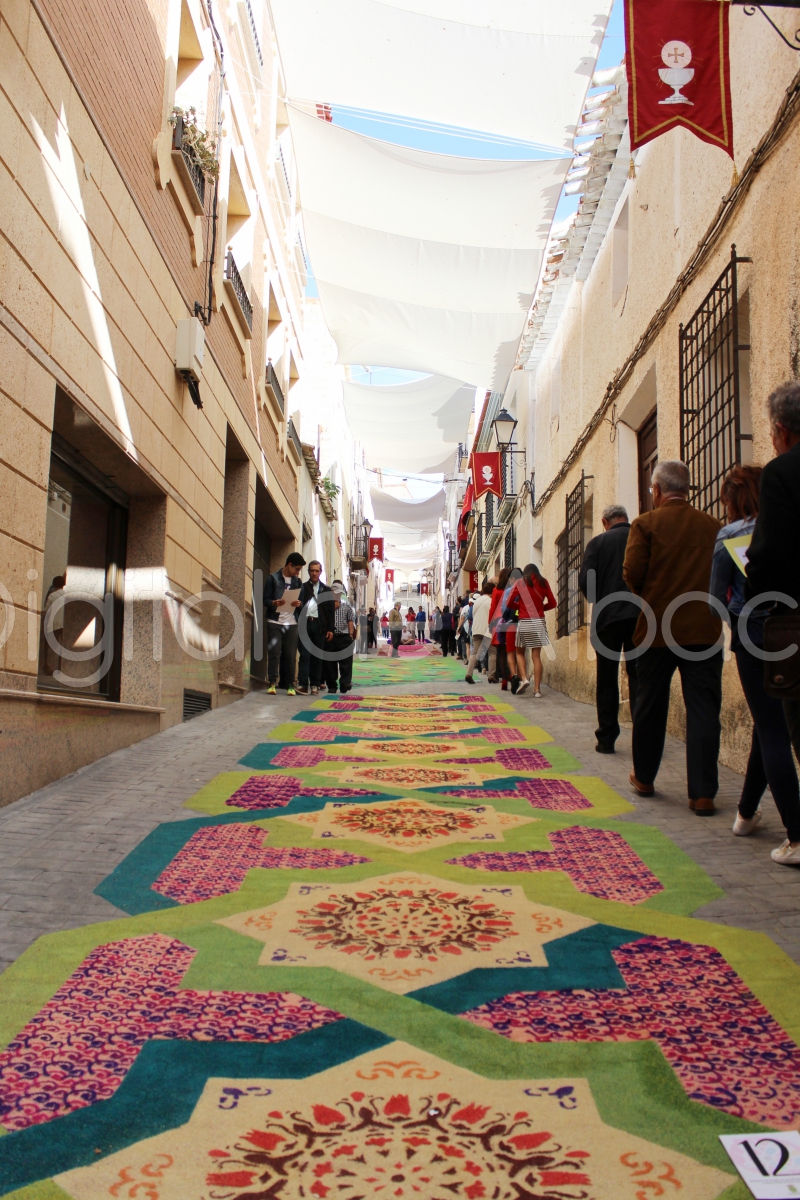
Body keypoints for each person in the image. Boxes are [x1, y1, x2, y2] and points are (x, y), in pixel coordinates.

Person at [711, 464, 800, 865]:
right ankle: (746, 813)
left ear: (731, 499)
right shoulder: (784, 525)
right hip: (790, 629)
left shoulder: (729, 535)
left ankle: (796, 837)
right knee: (769, 726)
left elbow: (716, 595)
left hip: (751, 632)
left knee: (772, 729)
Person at [623, 461, 722, 814]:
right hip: (703, 629)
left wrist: (652, 595)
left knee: (650, 705)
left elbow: (632, 573)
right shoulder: (713, 526)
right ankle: (703, 793)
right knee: (704, 709)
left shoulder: (646, 524)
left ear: (657, 491)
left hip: (655, 629)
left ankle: (645, 777)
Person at [745, 380, 800, 863]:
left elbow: (767, 554)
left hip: (794, 621)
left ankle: (799, 837)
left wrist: (757, 597)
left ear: (781, 431)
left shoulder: (781, 474)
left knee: (792, 724)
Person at [578, 504, 641, 753]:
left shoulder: (598, 543)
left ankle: (606, 738)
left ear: (604, 522)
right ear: (626, 519)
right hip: (639, 616)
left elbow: (586, 582)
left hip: (607, 618)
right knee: (638, 676)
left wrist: (598, 597)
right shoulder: (640, 536)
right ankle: (643, 734)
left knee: (607, 677)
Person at [504, 563, 556, 696]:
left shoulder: (521, 582)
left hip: (524, 621)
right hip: (539, 621)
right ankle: (537, 690)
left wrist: (520, 606)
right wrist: (541, 608)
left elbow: (509, 602)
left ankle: (525, 679)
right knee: (536, 656)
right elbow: (553, 602)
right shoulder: (543, 582)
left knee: (519, 652)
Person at [263, 551, 305, 695]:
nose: (298, 573)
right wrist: (274, 602)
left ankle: (290, 685)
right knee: (274, 652)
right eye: (297, 569)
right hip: (275, 620)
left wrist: (298, 603)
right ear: (289, 565)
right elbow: (265, 600)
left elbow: (303, 603)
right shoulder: (272, 579)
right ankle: (272, 683)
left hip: (291, 622)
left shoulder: (298, 583)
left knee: (290, 654)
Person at [296, 560, 333, 695]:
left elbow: (330, 611)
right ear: (308, 572)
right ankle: (303, 684)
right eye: (312, 570)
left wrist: (330, 629)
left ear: (320, 572)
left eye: (317, 571)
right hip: (305, 625)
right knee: (304, 656)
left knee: (317, 657)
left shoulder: (327, 590)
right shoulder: (302, 588)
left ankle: (315, 685)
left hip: (320, 626)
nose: (314, 573)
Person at [325, 580, 357, 694]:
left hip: (344, 637)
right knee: (330, 664)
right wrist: (331, 607)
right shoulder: (325, 606)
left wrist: (350, 634)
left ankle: (345, 683)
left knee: (346, 663)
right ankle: (332, 685)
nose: (336, 595)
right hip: (330, 637)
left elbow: (350, 620)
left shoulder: (346, 605)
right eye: (334, 593)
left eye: (338, 593)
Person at [465, 581, 494, 683]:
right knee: (492, 652)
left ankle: (469, 673)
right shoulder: (491, 601)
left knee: (475, 653)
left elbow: (472, 615)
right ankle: (491, 675)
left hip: (476, 629)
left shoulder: (476, 601)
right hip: (487, 629)